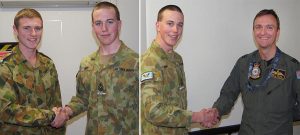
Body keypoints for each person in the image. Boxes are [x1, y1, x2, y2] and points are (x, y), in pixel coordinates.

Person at [51, 1, 139, 135]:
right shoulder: (87, 63)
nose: (104, 29)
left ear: (119, 24)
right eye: (98, 23)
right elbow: (82, 99)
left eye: (110, 22)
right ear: (93, 27)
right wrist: (66, 111)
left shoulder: (137, 62)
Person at [210, 9, 300, 135]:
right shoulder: (243, 63)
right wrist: (216, 111)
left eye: (269, 27)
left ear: (277, 32)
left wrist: (283, 115)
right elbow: (228, 94)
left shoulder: (292, 67)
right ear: (253, 31)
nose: (263, 32)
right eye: (258, 27)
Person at [141, 5, 219, 135]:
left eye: (180, 25)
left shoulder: (177, 59)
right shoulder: (150, 61)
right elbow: (153, 111)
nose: (175, 30)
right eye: (170, 23)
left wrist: (201, 117)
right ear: (157, 25)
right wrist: (197, 117)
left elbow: (177, 104)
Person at [0, 8, 67, 135]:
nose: (33, 33)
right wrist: (50, 116)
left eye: (38, 28)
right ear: (15, 30)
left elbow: (56, 107)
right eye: (26, 28)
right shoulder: (5, 67)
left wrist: (58, 118)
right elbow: (6, 110)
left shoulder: (48, 64)